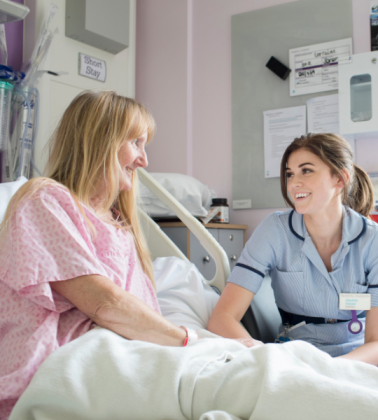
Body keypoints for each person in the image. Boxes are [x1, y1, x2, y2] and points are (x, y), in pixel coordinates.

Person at [0, 90, 254, 419]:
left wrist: (197, 344)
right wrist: (197, 341)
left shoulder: (118, 223)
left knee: (245, 372)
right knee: (235, 382)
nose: (144, 160)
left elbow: (139, 315)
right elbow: (105, 304)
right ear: (99, 141)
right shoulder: (45, 200)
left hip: (119, 353)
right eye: (136, 143)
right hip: (59, 361)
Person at [208, 133, 378, 376]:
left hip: (363, 354)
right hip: (298, 352)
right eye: (289, 174)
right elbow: (222, 318)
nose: (294, 183)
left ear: (340, 179)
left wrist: (333, 371)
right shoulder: (274, 231)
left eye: (306, 171)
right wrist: (259, 354)